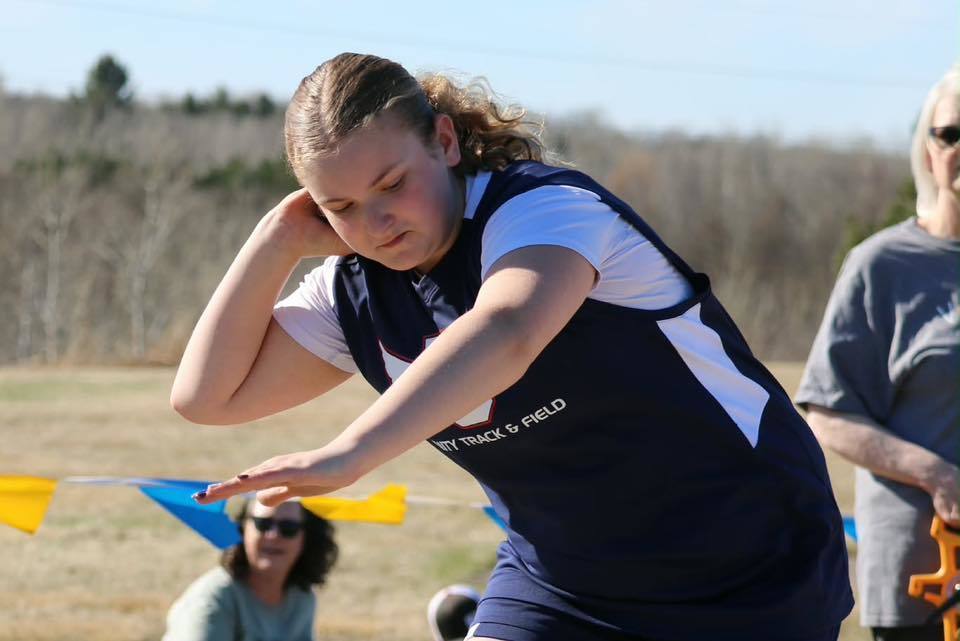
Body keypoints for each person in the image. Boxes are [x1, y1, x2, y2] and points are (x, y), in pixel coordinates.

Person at [172, 52, 853, 641]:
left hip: (750, 560)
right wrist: (276, 239)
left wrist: (350, 452)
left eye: (391, 185)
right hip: (565, 579)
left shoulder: (543, 210)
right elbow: (207, 396)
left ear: (443, 140)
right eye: (339, 207)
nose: (375, 222)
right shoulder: (352, 294)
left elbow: (507, 333)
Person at [795, 64, 960, 641]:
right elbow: (829, 414)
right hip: (926, 574)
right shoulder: (883, 265)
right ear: (928, 149)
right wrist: (938, 475)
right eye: (950, 134)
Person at [162, 499, 338, 641]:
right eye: (263, 524)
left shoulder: (301, 596)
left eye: (288, 528)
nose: (273, 535)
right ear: (243, 529)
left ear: (308, 537)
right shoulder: (212, 599)